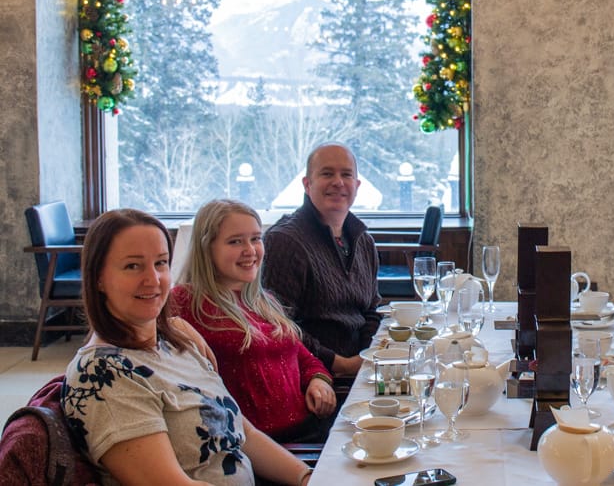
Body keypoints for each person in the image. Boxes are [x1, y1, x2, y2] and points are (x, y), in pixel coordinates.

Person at [61, 209, 315, 486]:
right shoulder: (102, 373)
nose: (153, 279)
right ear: (98, 277)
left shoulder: (176, 344)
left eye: (160, 263)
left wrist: (308, 478)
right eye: (133, 266)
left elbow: (246, 436)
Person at [171, 199, 338, 443]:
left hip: (309, 429)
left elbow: (304, 358)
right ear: (206, 248)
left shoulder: (264, 301)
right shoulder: (183, 302)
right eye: (235, 241)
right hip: (255, 447)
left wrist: (318, 380)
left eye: (256, 239)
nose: (250, 250)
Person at [262, 143, 382, 376]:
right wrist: (341, 364)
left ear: (356, 186)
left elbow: (371, 310)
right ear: (308, 184)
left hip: (359, 371)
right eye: (327, 173)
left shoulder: (363, 241)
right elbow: (278, 327)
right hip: (313, 379)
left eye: (346, 174)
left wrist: (365, 357)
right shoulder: (285, 242)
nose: (338, 182)